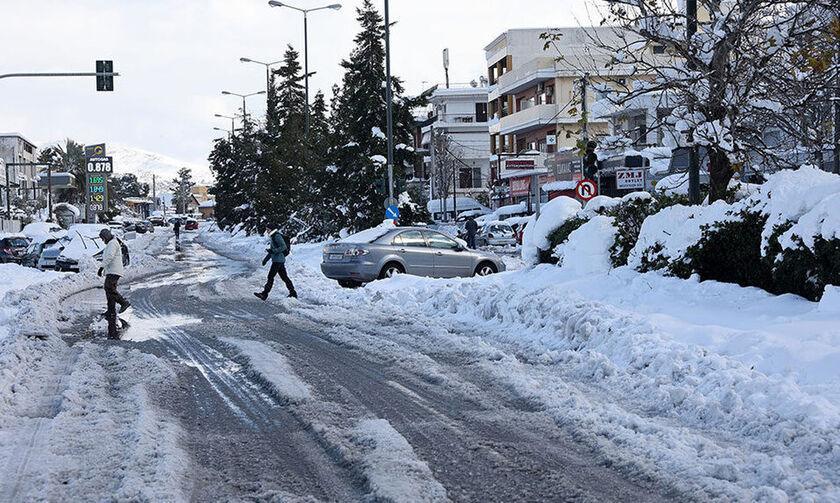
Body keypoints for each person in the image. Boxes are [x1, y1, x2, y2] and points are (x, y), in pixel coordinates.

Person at [98, 228, 130, 339]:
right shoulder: (113, 242)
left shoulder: (112, 243)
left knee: (109, 288)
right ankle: (111, 311)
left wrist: (102, 267)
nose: (103, 241)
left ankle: (123, 302)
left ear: (106, 237)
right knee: (109, 290)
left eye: (103, 239)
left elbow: (109, 256)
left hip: (114, 271)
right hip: (112, 270)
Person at [254, 223, 297, 301]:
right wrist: (266, 259)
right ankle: (293, 293)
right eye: (266, 229)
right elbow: (272, 251)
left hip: (278, 261)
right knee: (284, 277)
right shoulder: (273, 236)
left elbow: (283, 247)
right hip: (279, 260)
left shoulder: (277, 236)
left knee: (270, 276)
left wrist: (273, 251)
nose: (266, 231)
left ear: (272, 229)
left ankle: (264, 294)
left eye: (268, 229)